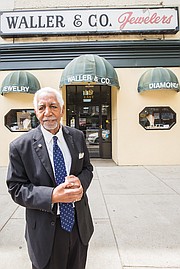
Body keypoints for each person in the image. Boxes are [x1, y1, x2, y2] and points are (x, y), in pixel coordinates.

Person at [6, 87, 94, 269]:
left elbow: (87, 168)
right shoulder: (20, 147)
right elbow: (15, 188)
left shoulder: (77, 137)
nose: (48, 113)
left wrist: (81, 183)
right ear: (36, 112)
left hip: (79, 226)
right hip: (45, 232)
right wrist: (52, 195)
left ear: (61, 109)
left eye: (53, 106)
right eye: (42, 108)